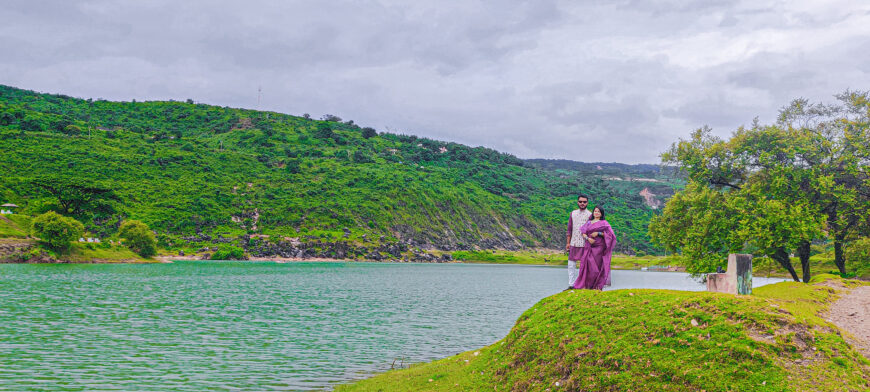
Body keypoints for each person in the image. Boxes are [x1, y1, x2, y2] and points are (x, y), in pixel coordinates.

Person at [573, 206, 616, 290]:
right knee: (587, 266)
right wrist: (588, 238)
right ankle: (586, 286)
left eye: (598, 212)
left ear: (601, 214)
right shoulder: (588, 222)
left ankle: (596, 286)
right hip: (588, 246)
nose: (596, 213)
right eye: (595, 211)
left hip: (599, 248)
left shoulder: (604, 223)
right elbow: (583, 233)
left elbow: (611, 235)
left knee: (596, 269)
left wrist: (599, 233)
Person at [565, 194, 592, 290]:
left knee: (583, 265)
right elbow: (569, 229)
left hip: (585, 243)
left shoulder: (590, 215)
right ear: (577, 202)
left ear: (587, 203)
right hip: (573, 243)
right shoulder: (573, 213)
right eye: (580, 201)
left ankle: (581, 285)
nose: (582, 203)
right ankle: (571, 284)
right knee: (571, 264)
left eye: (584, 202)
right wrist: (568, 243)